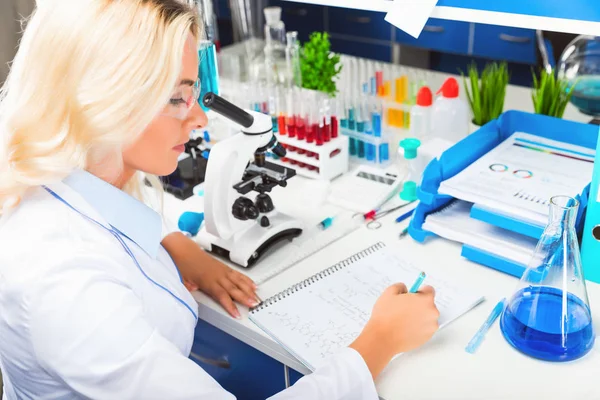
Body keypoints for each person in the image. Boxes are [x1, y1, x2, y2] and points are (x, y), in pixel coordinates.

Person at [0, 1, 440, 399]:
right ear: (103, 102)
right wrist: (379, 342)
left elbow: (106, 223)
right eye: (176, 98)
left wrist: (173, 244)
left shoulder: (63, 177)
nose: (198, 117)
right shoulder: (66, 287)